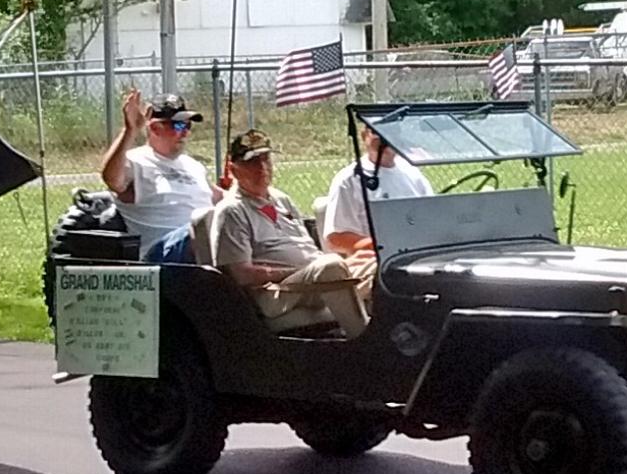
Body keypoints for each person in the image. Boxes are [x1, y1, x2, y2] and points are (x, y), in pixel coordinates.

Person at [210, 129, 368, 338]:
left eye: (266, 159)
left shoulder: (282, 200)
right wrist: (298, 270)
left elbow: (305, 248)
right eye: (252, 162)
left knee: (375, 262)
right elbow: (241, 274)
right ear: (233, 169)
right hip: (277, 292)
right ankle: (367, 343)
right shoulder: (231, 211)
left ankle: (404, 339)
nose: (262, 168)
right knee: (329, 266)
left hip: (313, 279)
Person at [100, 89, 221, 258]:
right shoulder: (136, 161)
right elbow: (112, 179)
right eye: (179, 125)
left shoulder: (193, 166)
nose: (186, 132)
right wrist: (130, 131)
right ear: (156, 128)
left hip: (203, 243)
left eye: (188, 125)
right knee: (202, 232)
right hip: (162, 253)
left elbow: (223, 198)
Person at [323, 125, 433, 256]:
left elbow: (432, 218)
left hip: (420, 254)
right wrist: (385, 246)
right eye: (376, 132)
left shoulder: (413, 173)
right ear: (364, 136)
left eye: (392, 131)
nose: (385, 136)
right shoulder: (350, 179)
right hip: (377, 261)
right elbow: (336, 238)